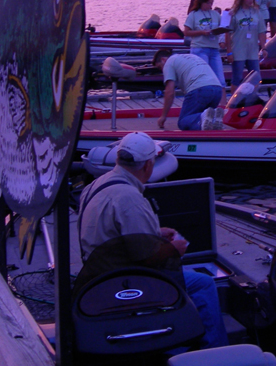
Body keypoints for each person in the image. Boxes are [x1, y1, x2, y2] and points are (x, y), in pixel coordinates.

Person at [73, 132, 228, 348]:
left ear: (119, 158)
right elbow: (147, 258)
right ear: (147, 165)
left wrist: (155, 231)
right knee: (203, 284)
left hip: (99, 276)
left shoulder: (96, 185)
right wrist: (175, 249)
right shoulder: (130, 199)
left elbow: (117, 237)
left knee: (192, 278)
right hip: (124, 282)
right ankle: (213, 351)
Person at [153, 49, 224, 131]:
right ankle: (214, 119)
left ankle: (203, 116)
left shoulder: (169, 62)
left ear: (163, 60)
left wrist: (163, 116)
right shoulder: (190, 57)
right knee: (207, 122)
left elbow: (170, 93)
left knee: (184, 121)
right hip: (217, 89)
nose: (162, 71)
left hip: (199, 89)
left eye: (160, 67)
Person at [221, 0, 266, 92]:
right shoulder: (234, 13)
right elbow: (228, 33)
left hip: (252, 50)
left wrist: (264, 48)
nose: (251, 0)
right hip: (238, 50)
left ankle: (252, 98)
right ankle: (233, 100)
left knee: (255, 77)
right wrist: (229, 51)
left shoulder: (256, 12)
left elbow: (261, 31)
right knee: (237, 78)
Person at [184, 0, 225, 85]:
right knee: (202, 78)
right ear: (202, 2)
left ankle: (222, 99)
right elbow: (186, 32)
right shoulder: (193, 15)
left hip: (214, 49)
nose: (210, 6)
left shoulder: (215, 14)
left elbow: (224, 26)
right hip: (200, 48)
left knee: (220, 80)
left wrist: (222, 37)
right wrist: (201, 32)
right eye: (208, 3)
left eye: (212, 3)